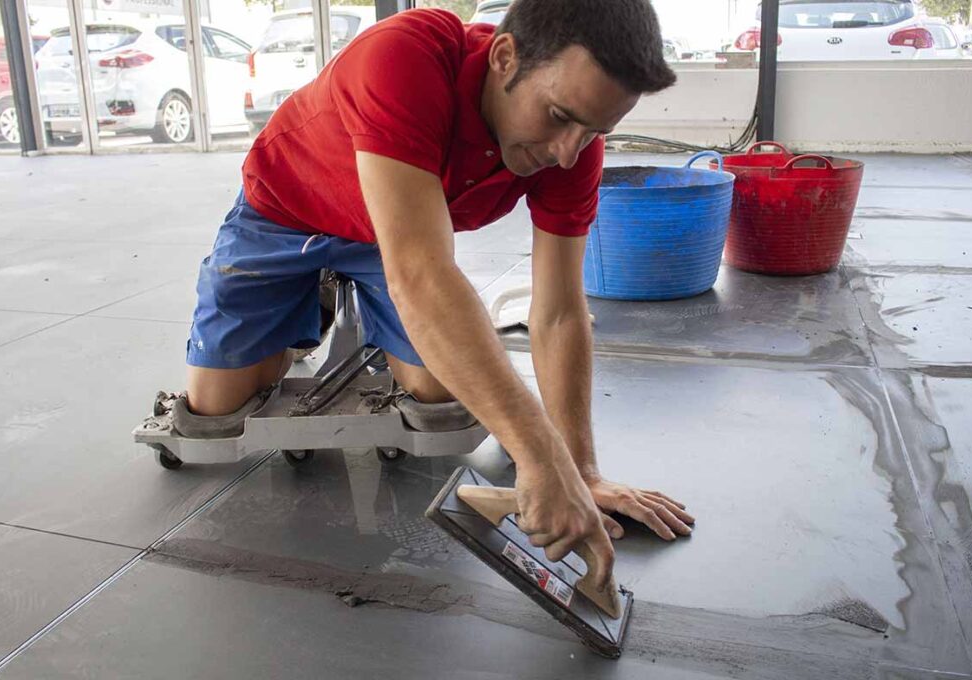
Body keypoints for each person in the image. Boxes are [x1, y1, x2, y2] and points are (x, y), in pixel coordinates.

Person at [180, 0, 694, 592]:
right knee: (218, 410)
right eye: (558, 115)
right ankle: (314, 297)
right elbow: (423, 272)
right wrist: (538, 457)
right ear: (505, 57)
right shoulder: (405, 56)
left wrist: (579, 470)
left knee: (436, 394)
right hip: (284, 212)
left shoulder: (573, 145)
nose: (567, 152)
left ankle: (356, 295)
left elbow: (557, 312)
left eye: (594, 130)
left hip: (393, 232)